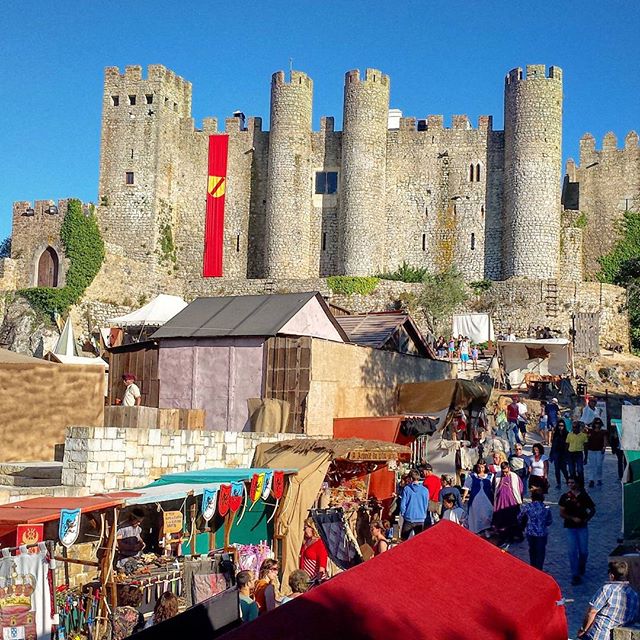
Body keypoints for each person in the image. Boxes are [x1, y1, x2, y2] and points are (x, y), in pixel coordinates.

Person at [577, 561, 639, 639]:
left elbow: (592, 612)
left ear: (611, 576)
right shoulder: (634, 595)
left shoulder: (607, 589)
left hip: (598, 635)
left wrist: (583, 630)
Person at [559, 476, 596, 585]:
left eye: (572, 482)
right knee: (572, 551)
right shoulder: (564, 497)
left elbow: (592, 509)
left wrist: (586, 519)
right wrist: (572, 518)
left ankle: (582, 565)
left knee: (584, 551)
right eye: (569, 482)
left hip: (582, 527)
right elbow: (562, 513)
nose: (570, 484)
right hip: (570, 527)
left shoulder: (584, 496)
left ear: (577, 484)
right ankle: (575, 574)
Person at [518, 491, 552, 570]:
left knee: (532, 550)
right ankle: (540, 568)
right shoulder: (546, 508)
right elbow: (549, 521)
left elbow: (519, 517)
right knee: (540, 552)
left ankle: (533, 568)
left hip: (530, 532)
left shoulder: (528, 506)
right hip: (542, 533)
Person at [492, 461, 524, 544]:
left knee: (512, 519)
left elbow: (520, 489)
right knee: (501, 520)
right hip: (500, 503)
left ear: (509, 469)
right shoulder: (497, 476)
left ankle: (512, 536)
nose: (505, 474)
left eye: (506, 472)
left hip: (511, 503)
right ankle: (502, 537)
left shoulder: (515, 477)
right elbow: (493, 487)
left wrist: (519, 500)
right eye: (503, 472)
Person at [462, 461, 494, 535]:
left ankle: (486, 529)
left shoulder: (490, 476)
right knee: (476, 514)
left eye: (482, 467)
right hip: (475, 500)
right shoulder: (472, 476)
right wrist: (463, 498)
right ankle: (477, 530)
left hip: (487, 499)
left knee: (487, 514)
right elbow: (467, 488)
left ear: (485, 467)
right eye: (479, 467)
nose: (480, 469)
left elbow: (493, 488)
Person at [400, 469, 429, 540]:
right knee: (419, 541)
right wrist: (423, 514)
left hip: (409, 517)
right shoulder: (425, 490)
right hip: (420, 518)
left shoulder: (406, 489)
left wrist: (404, 513)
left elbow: (403, 504)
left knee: (403, 540)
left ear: (410, 478)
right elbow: (426, 504)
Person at [586, 418, 608, 488]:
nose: (597, 425)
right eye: (596, 423)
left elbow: (605, 440)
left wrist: (604, 447)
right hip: (591, 450)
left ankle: (599, 478)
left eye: (598, 423)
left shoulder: (603, 432)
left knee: (599, 465)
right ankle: (591, 479)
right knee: (592, 466)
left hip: (599, 450)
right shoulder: (590, 431)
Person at [551, 419, 570, 488]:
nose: (560, 427)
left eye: (562, 426)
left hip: (564, 453)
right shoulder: (555, 434)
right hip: (556, 453)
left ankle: (567, 480)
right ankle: (558, 483)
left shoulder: (567, 434)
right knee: (557, 469)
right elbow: (553, 445)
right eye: (559, 425)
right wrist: (551, 454)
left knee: (563, 468)